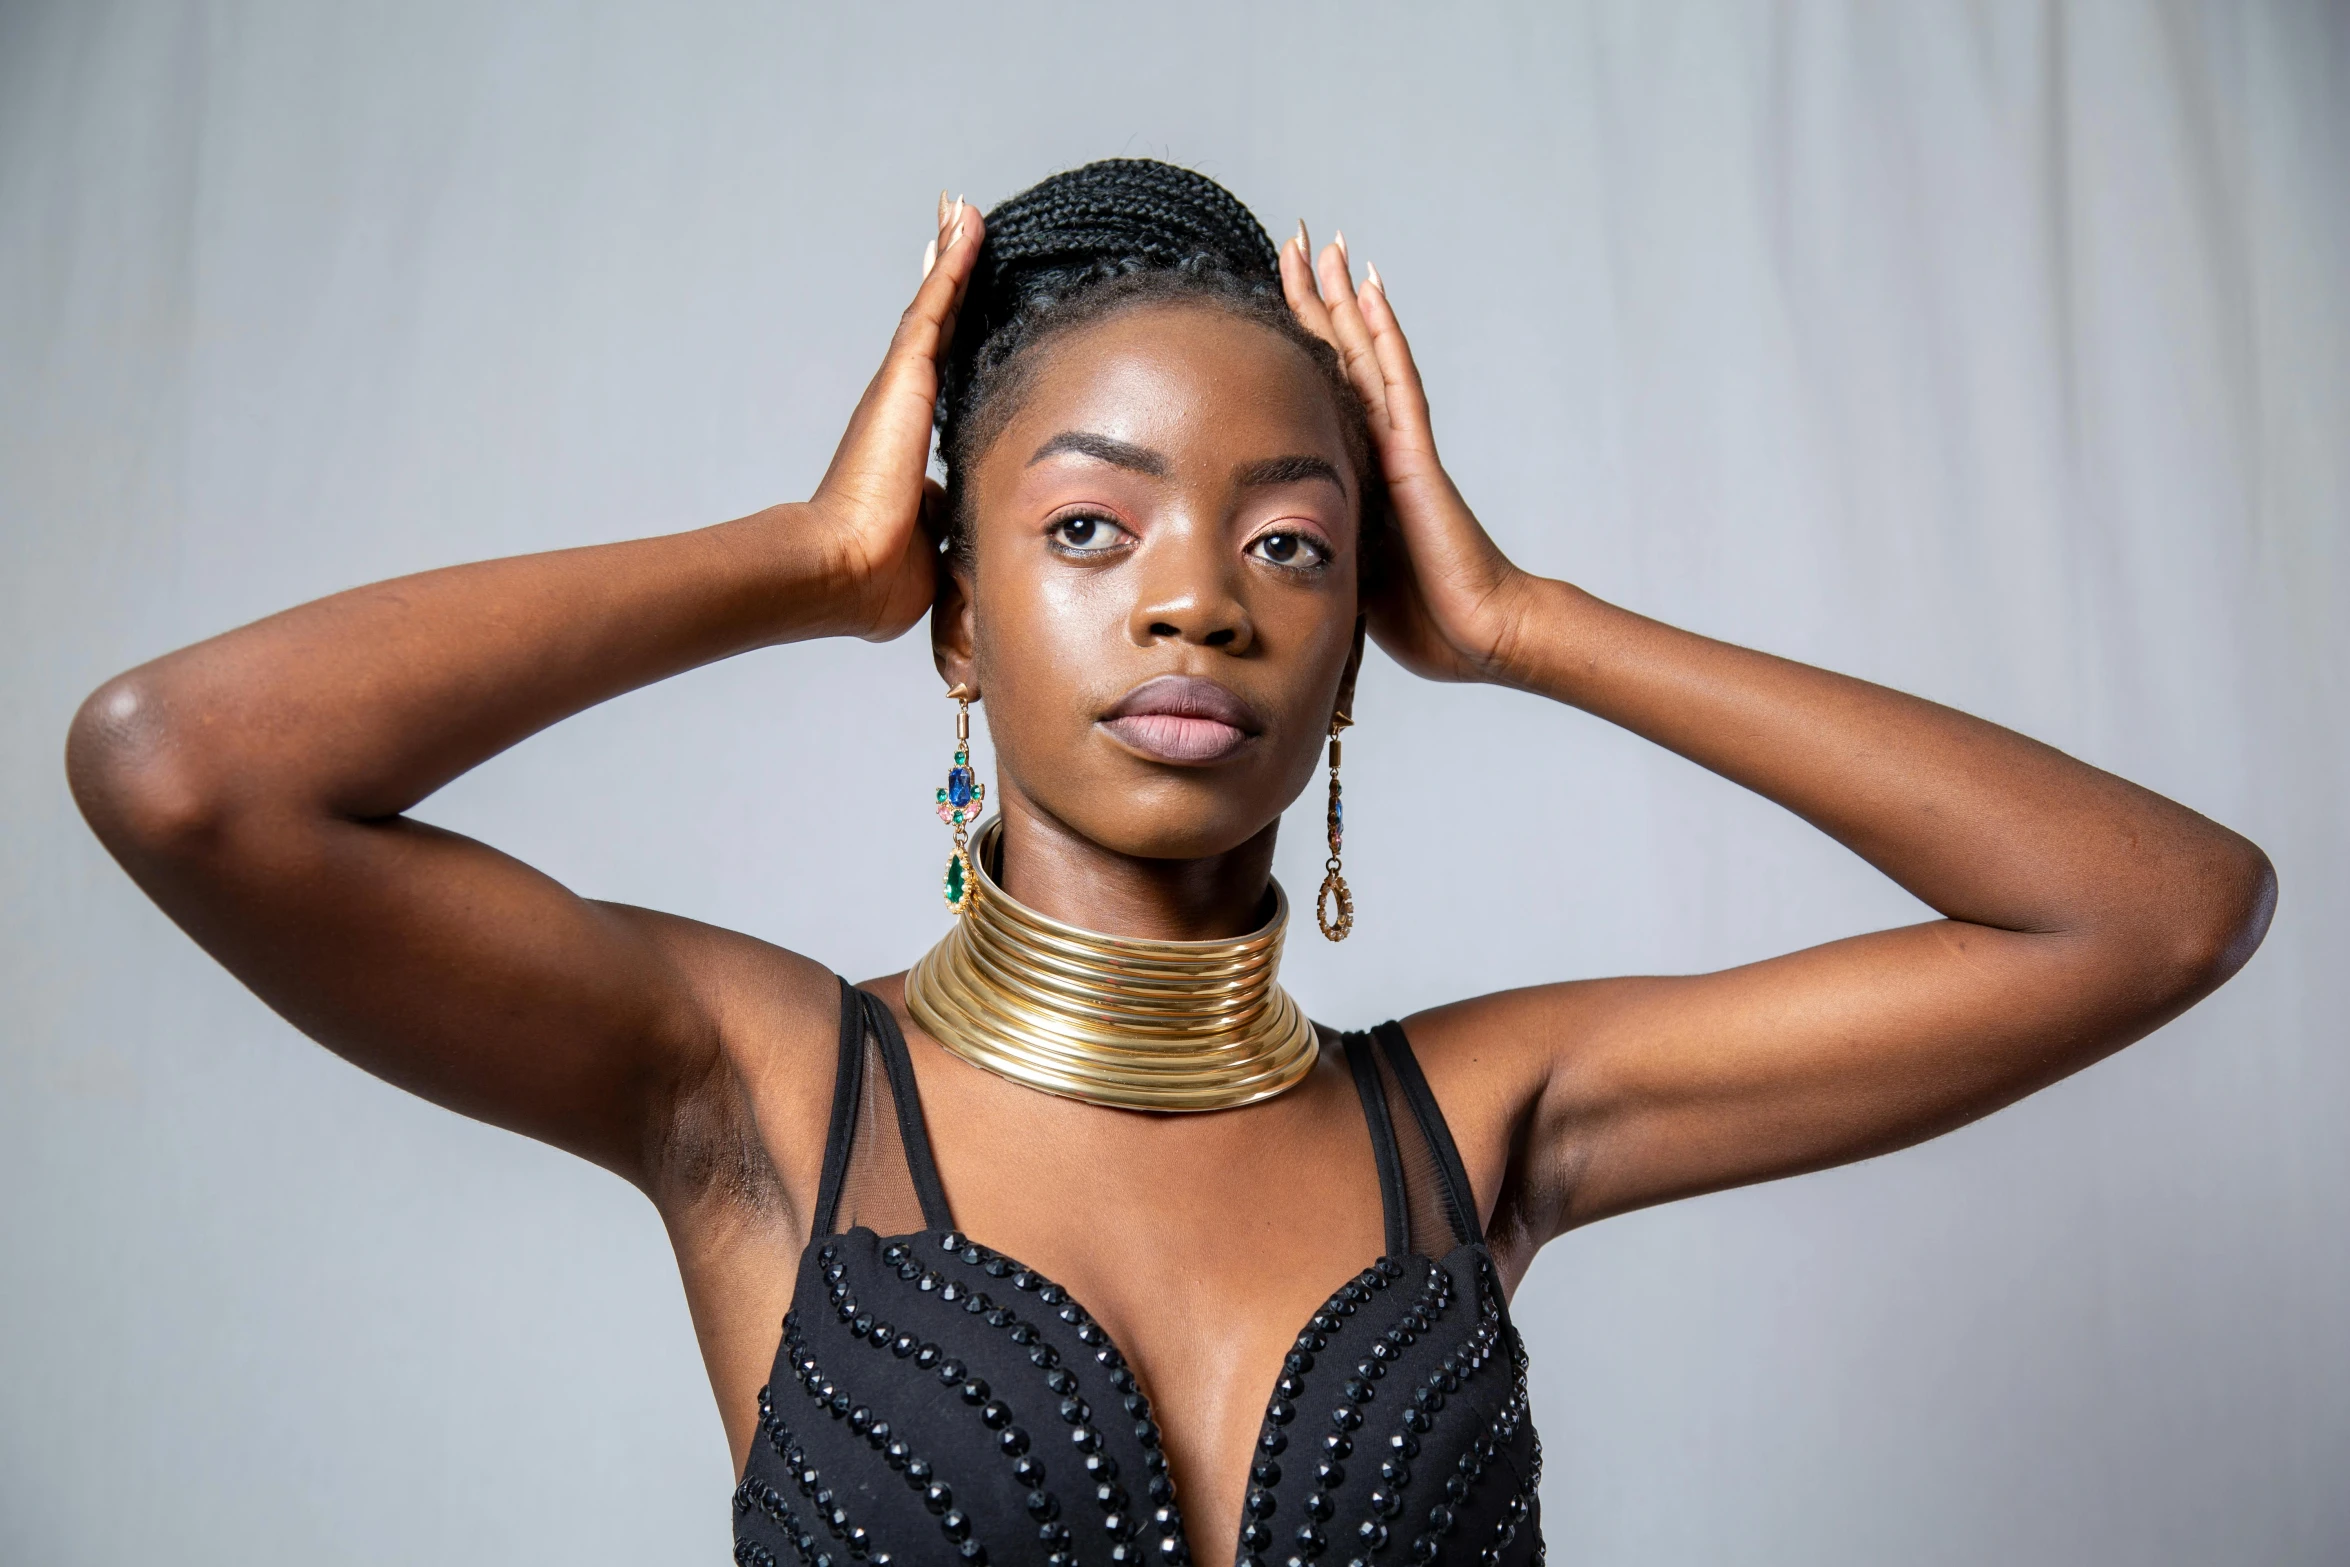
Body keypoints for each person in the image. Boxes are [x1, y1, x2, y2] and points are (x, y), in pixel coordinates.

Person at [66, 159, 2273, 1567]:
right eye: (1086, 528)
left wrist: (1523, 622)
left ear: (1354, 632)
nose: (1193, 598)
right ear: (955, 605)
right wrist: (805, 558)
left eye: (1291, 541)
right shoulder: (757, 1091)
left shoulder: (1474, 1124)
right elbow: (185, 772)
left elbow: (2152, 908)